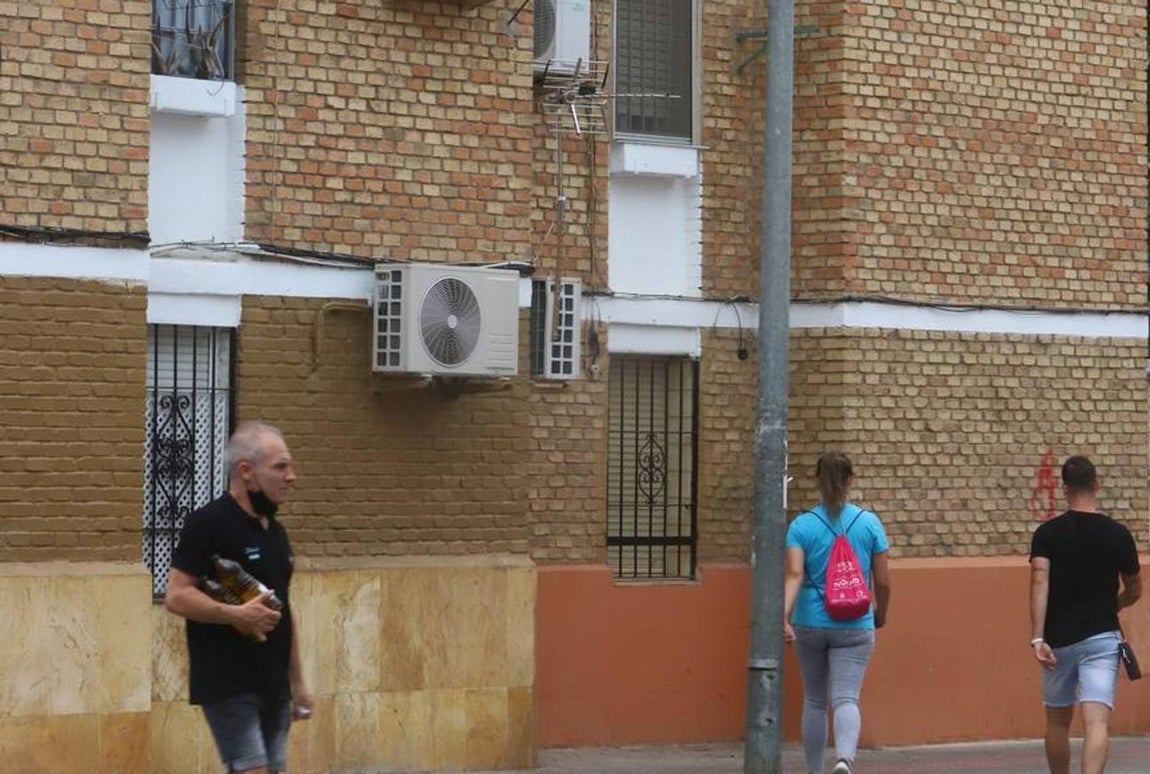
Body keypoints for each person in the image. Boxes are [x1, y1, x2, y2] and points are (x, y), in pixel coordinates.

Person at [164, 421, 314, 774]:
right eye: (280, 467)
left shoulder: (276, 534)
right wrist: (235, 615)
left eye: (289, 466)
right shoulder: (208, 523)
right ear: (246, 472)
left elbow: (284, 612)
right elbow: (176, 595)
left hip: (273, 683)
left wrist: (298, 683)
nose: (290, 477)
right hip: (228, 681)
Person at [1029, 455, 1141, 774]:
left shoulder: (1047, 534)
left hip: (1056, 641)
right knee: (1097, 722)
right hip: (1102, 638)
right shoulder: (1118, 534)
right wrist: (1116, 603)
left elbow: (1039, 580)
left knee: (1057, 722)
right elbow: (1135, 588)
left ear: (1064, 488)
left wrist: (1038, 637)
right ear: (1096, 484)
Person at [783, 451, 892, 774]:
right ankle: (844, 759)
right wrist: (880, 613)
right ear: (850, 480)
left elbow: (794, 574)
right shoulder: (869, 523)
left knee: (815, 700)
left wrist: (783, 617)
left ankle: (815, 770)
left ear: (817, 480)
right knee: (846, 697)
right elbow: (884, 581)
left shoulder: (801, 526)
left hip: (809, 622)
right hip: (855, 622)